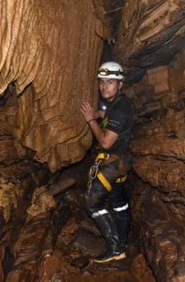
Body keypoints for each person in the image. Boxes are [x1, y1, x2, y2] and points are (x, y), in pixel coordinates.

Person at [80, 61, 134, 263]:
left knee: (92, 202)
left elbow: (105, 142)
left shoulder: (120, 109)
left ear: (120, 85)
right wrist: (99, 114)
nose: (104, 87)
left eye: (110, 82)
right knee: (119, 202)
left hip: (113, 163)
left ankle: (115, 248)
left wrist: (90, 119)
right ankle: (124, 238)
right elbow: (110, 115)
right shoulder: (119, 103)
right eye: (102, 82)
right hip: (124, 162)